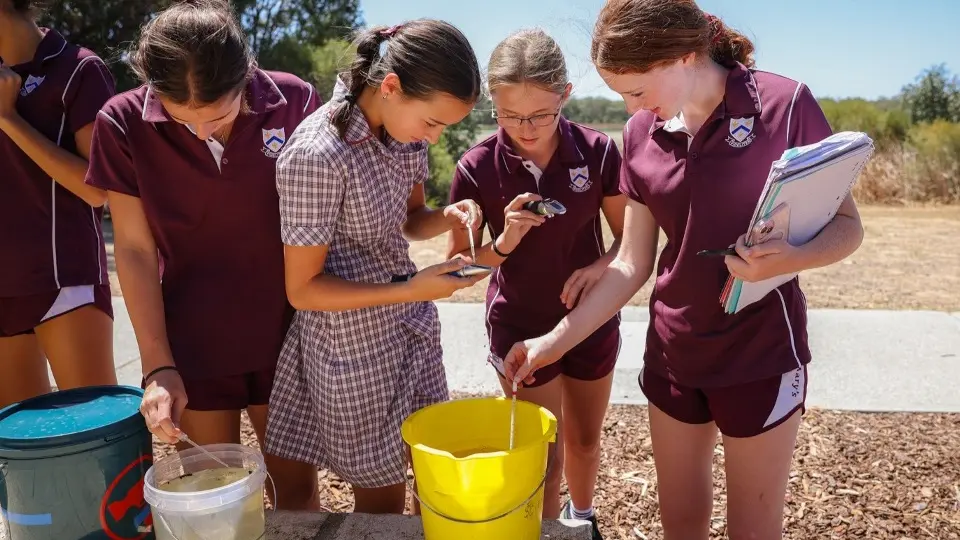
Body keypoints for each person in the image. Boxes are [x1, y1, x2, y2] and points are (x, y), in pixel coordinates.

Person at [504, 1, 865, 538]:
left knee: (753, 529)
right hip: (673, 353)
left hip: (762, 352)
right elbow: (631, 263)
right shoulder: (639, 134)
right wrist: (552, 343)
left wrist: (790, 258)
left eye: (636, 90)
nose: (631, 108)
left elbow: (848, 227)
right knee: (681, 527)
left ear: (684, 56)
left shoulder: (786, 105)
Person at [84, 0, 323, 510]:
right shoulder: (120, 121)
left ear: (246, 76)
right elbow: (134, 248)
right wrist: (157, 366)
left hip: (290, 332)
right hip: (193, 337)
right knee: (212, 497)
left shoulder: (297, 101)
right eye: (181, 119)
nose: (201, 133)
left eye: (217, 116)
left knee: (296, 496)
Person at [265, 19, 484, 514]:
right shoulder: (317, 154)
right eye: (433, 123)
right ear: (390, 86)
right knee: (381, 499)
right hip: (350, 347)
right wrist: (410, 288)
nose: (434, 138)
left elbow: (411, 221)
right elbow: (303, 290)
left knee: (432, 465)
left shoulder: (404, 135)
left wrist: (446, 216)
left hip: (410, 328)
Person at [446, 29, 625, 538]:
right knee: (543, 457)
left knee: (585, 441)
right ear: (492, 101)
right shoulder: (475, 167)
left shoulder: (598, 151)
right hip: (518, 327)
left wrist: (600, 267)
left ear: (565, 94)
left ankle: (582, 519)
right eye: (509, 115)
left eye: (541, 115)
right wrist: (504, 242)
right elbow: (458, 271)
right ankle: (542, 532)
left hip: (590, 319)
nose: (525, 129)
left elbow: (630, 243)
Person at [0, 0, 116, 409]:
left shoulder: (79, 69)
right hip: (5, 286)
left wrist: (9, 119)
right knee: (20, 444)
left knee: (99, 432)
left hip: (65, 280)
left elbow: (97, 189)